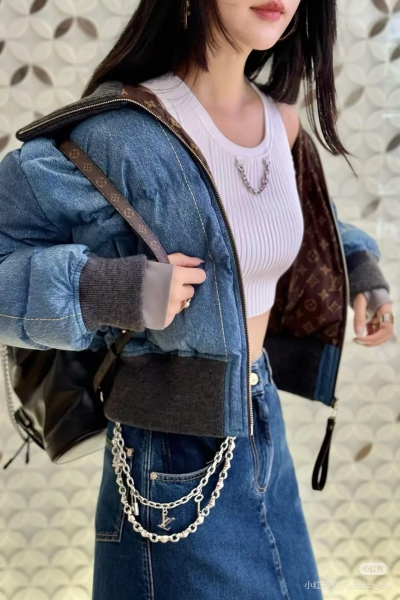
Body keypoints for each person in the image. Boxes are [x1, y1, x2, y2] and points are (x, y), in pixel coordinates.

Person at [0, 0, 394, 598]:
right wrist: (110, 290)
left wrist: (360, 269)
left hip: (263, 426)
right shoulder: (121, 134)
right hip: (168, 457)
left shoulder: (281, 123)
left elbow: (291, 221)